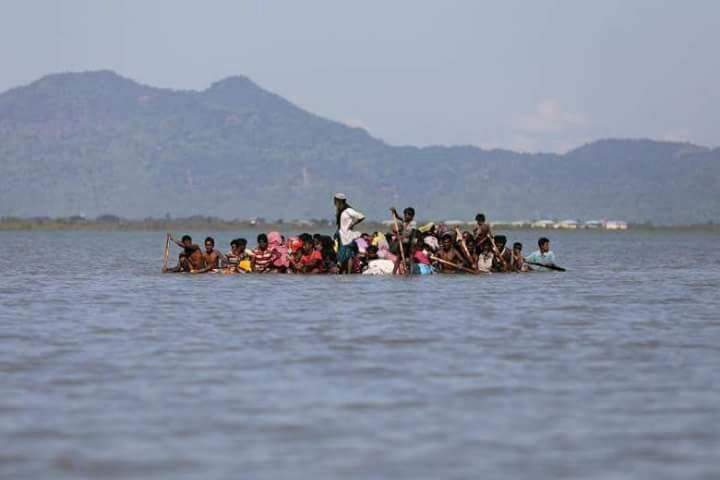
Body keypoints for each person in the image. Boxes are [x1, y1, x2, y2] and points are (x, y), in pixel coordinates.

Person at [334, 193, 365, 273]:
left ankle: (349, 273)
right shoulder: (340, 210)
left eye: (335, 201)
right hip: (341, 235)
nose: (334, 203)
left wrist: (353, 224)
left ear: (339, 201)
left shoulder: (348, 210)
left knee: (349, 255)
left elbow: (361, 216)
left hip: (348, 235)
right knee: (342, 255)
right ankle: (344, 272)